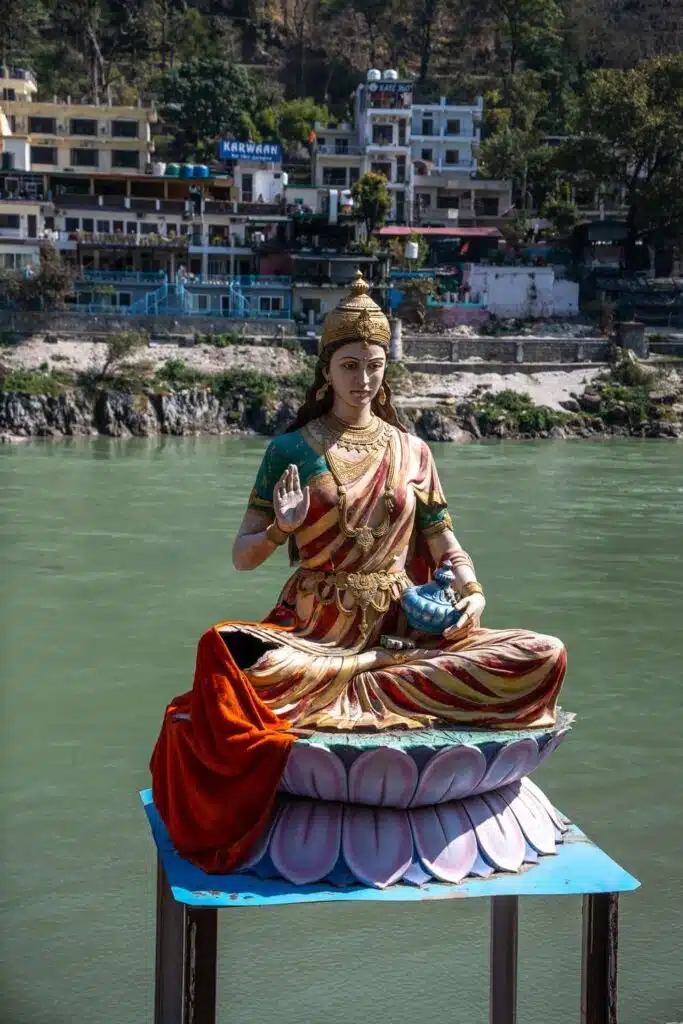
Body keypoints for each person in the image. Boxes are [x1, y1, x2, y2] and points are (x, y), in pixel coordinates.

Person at [150, 272, 566, 872]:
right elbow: (242, 555)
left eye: (374, 365)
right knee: (228, 657)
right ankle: (367, 674)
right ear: (327, 371)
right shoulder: (291, 450)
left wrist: (471, 593)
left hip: (407, 629)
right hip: (315, 632)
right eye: (350, 365)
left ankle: (369, 677)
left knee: (543, 654)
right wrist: (281, 529)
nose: (364, 379)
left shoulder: (413, 450)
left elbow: (445, 542)